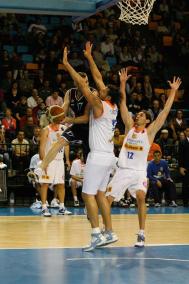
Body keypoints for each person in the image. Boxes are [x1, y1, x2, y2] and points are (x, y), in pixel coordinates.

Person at [34, 42, 119, 251]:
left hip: (90, 133)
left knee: (87, 195)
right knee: (61, 142)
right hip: (105, 150)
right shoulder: (108, 102)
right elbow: (97, 78)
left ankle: (96, 233)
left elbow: (84, 101)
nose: (100, 86)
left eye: (104, 89)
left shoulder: (95, 100)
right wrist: (90, 57)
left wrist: (65, 63)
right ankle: (109, 231)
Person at [106, 69, 181, 247]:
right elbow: (122, 102)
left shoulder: (150, 132)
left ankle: (141, 233)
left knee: (141, 197)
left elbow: (164, 112)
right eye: (137, 114)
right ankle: (107, 231)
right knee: (108, 199)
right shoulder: (128, 128)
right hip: (123, 170)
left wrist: (173, 92)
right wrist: (123, 82)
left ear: (146, 120)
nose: (137, 115)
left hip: (139, 172)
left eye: (141, 115)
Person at [38, 107, 71, 217]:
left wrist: (67, 159)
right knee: (45, 184)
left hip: (59, 160)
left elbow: (66, 146)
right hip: (49, 160)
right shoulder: (46, 130)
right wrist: (44, 163)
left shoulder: (64, 128)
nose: (62, 117)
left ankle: (61, 207)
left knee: (61, 184)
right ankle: (44, 207)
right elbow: (42, 148)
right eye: (60, 115)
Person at [178, 127, 189, 207]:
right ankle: (185, 202)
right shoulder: (182, 142)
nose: (188, 132)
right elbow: (180, 156)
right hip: (185, 167)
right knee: (185, 184)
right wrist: (181, 167)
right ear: (185, 132)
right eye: (187, 131)